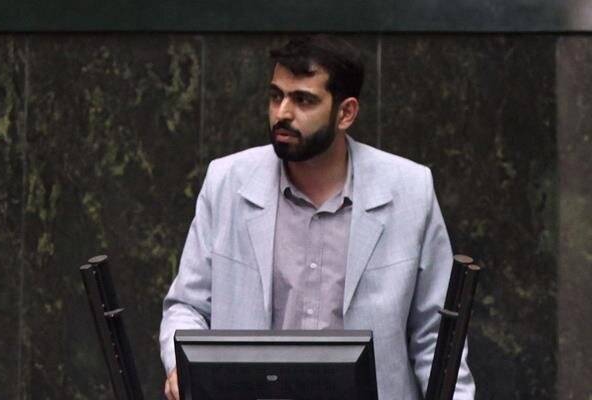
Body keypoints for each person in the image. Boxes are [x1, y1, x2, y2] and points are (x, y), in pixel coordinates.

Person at [160, 35, 475, 400]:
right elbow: (187, 306)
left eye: (303, 100)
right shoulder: (228, 182)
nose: (282, 113)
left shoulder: (409, 190)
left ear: (346, 113)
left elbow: (437, 336)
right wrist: (181, 366)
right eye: (276, 96)